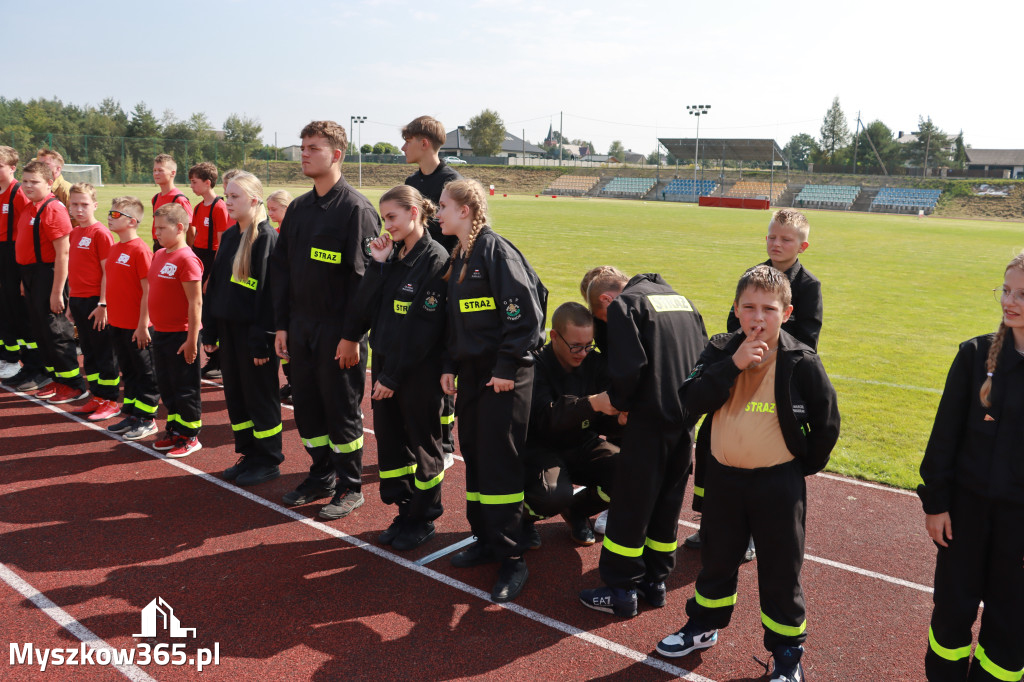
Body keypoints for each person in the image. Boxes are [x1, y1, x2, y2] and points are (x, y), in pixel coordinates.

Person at [655, 265, 840, 682]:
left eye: (769, 309)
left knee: (780, 570)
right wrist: (733, 366)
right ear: (736, 310)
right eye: (749, 307)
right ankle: (703, 626)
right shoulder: (721, 349)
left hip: (778, 484)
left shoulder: (801, 359)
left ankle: (787, 655)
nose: (758, 317)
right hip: (724, 480)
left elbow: (827, 425)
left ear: (787, 312)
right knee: (717, 559)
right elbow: (688, 401)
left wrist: (795, 468)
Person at [688, 208, 824, 555]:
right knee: (709, 440)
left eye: (786, 239)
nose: (777, 244)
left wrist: (770, 343)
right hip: (737, 368)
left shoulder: (808, 287)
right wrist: (739, 351)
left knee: (763, 454)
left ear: (802, 246)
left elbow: (809, 337)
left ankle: (748, 534)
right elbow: (732, 322)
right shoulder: (753, 274)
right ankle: (709, 522)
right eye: (772, 237)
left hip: (778, 377)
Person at [439, 178, 547, 603]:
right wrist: (449, 366)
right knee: (478, 457)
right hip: (473, 374)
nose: (439, 212)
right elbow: (456, 322)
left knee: (501, 463)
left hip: (506, 375)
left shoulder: (495, 251)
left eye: (444, 206)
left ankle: (512, 554)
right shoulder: (460, 253)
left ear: (465, 210)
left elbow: (526, 315)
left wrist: (506, 366)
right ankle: (486, 538)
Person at [918, 252, 1024, 682]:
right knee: (951, 614)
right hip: (963, 517)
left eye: (1022, 294)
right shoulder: (975, 356)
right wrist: (936, 503)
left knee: (1011, 626)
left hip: (1019, 528)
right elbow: (944, 437)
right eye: (1006, 289)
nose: (1009, 301)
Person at [578, 268, 707, 618]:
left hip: (648, 423)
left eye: (601, 317)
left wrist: (619, 404)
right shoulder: (682, 301)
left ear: (607, 300)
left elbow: (628, 370)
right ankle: (655, 581)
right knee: (666, 507)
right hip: (684, 424)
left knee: (630, 509)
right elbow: (704, 358)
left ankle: (620, 590)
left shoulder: (626, 306)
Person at [270, 120, 380, 519]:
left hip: (339, 332)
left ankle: (351, 485)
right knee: (308, 409)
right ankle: (321, 475)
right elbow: (280, 271)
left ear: (335, 155)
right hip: (300, 329)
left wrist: (352, 336)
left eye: (312, 148)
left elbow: (366, 284)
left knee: (341, 409)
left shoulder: (356, 210)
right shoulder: (298, 209)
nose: (303, 153)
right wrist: (281, 325)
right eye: (302, 147)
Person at [346, 185, 448, 550]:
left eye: (392, 217)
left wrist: (391, 377)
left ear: (415, 213)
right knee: (392, 444)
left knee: (423, 446)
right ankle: (405, 510)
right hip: (387, 367)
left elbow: (423, 330)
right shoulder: (394, 255)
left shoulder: (435, 259)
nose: (385, 225)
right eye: (384, 217)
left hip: (415, 373)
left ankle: (424, 518)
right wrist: (378, 263)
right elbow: (364, 306)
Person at [201, 171, 281, 486]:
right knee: (237, 396)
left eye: (234, 196)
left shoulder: (267, 238)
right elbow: (217, 287)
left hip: (254, 337)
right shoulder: (230, 236)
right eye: (227, 195)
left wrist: (262, 342)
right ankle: (249, 454)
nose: (227, 202)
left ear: (254, 199)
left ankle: (268, 458)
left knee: (260, 397)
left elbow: (270, 298)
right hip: (229, 333)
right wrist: (210, 331)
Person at [522, 301, 621, 547]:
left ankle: (577, 510)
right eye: (576, 346)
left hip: (580, 443)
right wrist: (592, 404)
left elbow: (605, 419)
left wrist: (619, 418)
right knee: (553, 494)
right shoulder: (533, 365)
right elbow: (546, 419)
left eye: (589, 345)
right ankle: (521, 520)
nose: (583, 353)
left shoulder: (594, 363)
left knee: (630, 472)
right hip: (539, 448)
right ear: (554, 336)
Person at [402, 115, 463, 466]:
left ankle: (446, 439)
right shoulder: (411, 181)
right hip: (414, 277)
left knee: (443, 355)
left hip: (442, 280)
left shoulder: (451, 181)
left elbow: (460, 231)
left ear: (424, 142)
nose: (402, 147)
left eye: (407, 140)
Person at [14, 160, 90, 404]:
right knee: (41, 331)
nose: (27, 186)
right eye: (24, 181)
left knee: (55, 330)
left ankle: (74, 384)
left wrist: (57, 291)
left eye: (34, 182)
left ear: (49, 183)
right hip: (31, 275)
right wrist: (26, 281)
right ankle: (56, 378)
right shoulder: (30, 207)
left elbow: (63, 253)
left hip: (49, 275)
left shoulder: (52, 209)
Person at [148, 203, 203, 457]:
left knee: (185, 387)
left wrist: (192, 340)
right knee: (167, 385)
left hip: (181, 335)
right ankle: (176, 429)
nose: (156, 232)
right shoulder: (159, 254)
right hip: (161, 332)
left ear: (180, 228)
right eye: (155, 226)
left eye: (162, 227)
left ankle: (190, 435)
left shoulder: (187, 258)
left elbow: (195, 301)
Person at [103, 197, 160, 441]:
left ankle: (148, 419)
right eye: (110, 213)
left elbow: (148, 291)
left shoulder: (140, 250)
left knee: (145, 373)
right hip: (117, 323)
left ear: (132, 221)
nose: (109, 217)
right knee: (129, 371)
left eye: (116, 215)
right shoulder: (115, 248)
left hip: (137, 327)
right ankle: (134, 414)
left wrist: (142, 325)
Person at [66, 183, 121, 421]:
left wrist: (103, 304)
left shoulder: (100, 233)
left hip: (96, 303)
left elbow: (108, 272)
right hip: (78, 301)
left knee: (104, 352)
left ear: (95, 206)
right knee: (88, 352)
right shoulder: (74, 232)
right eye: (74, 204)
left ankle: (110, 400)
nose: (79, 209)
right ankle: (97, 395)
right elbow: (75, 270)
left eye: (84, 204)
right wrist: (70, 303)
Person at [0, 145, 43, 388]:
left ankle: (31, 364)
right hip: (3, 253)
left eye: (0, 166)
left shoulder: (18, 193)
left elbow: (26, 230)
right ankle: (10, 356)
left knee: (20, 312)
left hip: (15, 256)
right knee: (6, 309)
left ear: (12, 168)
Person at [187, 162, 229, 380]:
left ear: (207, 182)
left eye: (194, 182)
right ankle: (210, 355)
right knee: (201, 311)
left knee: (211, 311)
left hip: (213, 261)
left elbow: (222, 245)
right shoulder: (197, 207)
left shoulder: (219, 207)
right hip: (199, 258)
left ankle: (218, 359)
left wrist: (211, 276)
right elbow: (195, 239)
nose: (191, 186)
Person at [265, 189, 294, 404]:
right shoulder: (276, 232)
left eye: (274, 209)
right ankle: (291, 382)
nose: (270, 213)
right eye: (268, 209)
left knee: (291, 345)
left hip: (294, 300)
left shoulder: (294, 233)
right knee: (283, 345)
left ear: (287, 208)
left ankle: (296, 383)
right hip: (279, 298)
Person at [150, 154, 193, 252]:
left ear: (172, 173)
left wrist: (189, 251)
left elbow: (190, 230)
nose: (156, 173)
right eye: (154, 170)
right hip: (158, 245)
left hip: (174, 248)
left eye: (160, 170)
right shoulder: (155, 198)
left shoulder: (180, 199)